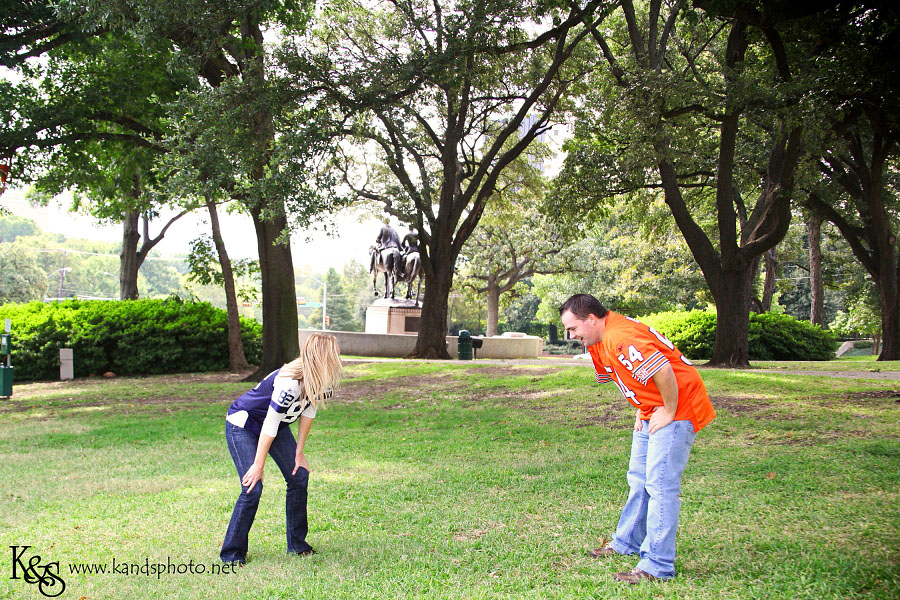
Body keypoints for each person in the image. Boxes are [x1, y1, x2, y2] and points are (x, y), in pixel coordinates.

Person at [559, 294, 715, 584]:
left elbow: (662, 370)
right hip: (653, 409)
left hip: (678, 407)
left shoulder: (620, 336)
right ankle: (627, 541)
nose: (571, 336)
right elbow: (630, 377)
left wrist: (668, 410)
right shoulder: (599, 338)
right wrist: (643, 408)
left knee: (660, 486)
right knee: (639, 477)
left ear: (591, 319)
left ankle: (657, 566)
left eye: (573, 329)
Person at [220, 333, 343, 565]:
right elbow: (270, 422)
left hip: (275, 426)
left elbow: (309, 411)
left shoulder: (322, 378)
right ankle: (232, 554)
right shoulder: (289, 381)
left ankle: (297, 545)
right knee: (252, 487)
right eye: (334, 354)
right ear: (322, 357)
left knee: (299, 476)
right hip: (244, 423)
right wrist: (258, 465)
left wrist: (299, 452)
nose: (338, 358)